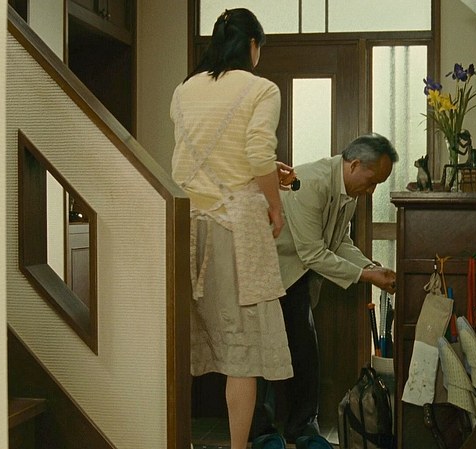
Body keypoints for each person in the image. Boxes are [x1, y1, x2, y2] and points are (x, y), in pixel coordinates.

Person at [170, 8, 296, 449]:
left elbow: (196, 158)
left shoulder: (184, 90)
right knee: (242, 354)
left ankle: (175, 439)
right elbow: (257, 154)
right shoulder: (261, 88)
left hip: (185, 229)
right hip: (236, 231)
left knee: (181, 342)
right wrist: (275, 206)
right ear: (253, 45)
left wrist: (264, 173)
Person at [251, 133, 399, 445]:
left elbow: (339, 241)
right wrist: (367, 276)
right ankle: (262, 433)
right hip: (269, 270)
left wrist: (370, 266)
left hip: (297, 276)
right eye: (372, 181)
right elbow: (313, 253)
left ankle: (303, 429)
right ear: (354, 165)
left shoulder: (349, 192)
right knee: (266, 353)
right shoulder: (309, 182)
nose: (372, 191)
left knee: (305, 354)